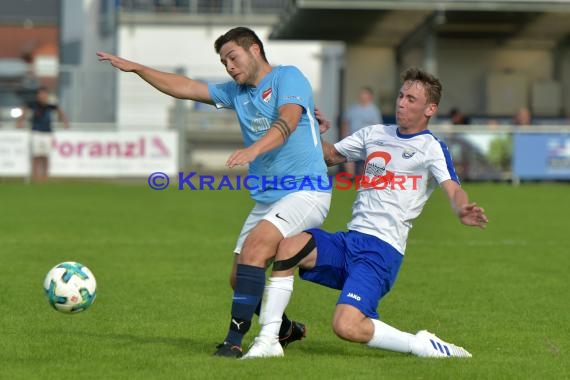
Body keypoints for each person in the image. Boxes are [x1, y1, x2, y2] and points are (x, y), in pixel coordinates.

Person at [97, 27, 332, 358]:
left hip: (306, 190)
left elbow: (289, 120)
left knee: (255, 249)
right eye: (224, 62)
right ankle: (285, 329)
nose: (229, 67)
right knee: (239, 279)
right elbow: (186, 87)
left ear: (254, 50)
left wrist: (254, 151)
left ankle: (234, 341)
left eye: (232, 57)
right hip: (268, 198)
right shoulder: (237, 93)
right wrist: (138, 68)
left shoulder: (287, 77)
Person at [242, 68, 489, 359]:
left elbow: (453, 188)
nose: (401, 103)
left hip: (380, 253)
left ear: (430, 108)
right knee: (289, 246)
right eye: (401, 95)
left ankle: (419, 344)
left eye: (411, 99)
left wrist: (462, 208)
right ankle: (269, 339)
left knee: (346, 326)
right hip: (349, 241)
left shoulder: (431, 147)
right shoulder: (375, 133)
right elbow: (330, 155)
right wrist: (307, 130)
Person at [17, 86, 69, 182]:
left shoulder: (50, 106)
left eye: (44, 94)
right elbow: (24, 109)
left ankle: (45, 177)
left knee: (45, 156)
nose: (42, 96)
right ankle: (36, 176)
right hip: (36, 132)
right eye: (41, 94)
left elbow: (59, 111)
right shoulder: (33, 105)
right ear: (38, 95)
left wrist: (64, 121)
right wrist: (21, 120)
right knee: (36, 155)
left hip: (47, 133)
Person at [340, 86, 382, 177]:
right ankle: (350, 178)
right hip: (353, 138)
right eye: (361, 93)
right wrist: (344, 136)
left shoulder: (374, 110)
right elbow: (345, 121)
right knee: (347, 157)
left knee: (367, 161)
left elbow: (377, 126)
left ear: (370, 96)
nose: (362, 95)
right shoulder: (352, 108)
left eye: (365, 94)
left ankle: (363, 178)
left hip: (367, 140)